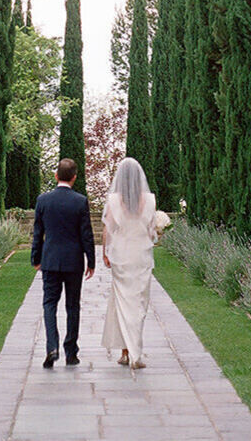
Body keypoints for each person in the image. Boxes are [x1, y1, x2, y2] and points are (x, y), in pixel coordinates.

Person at [31, 157, 95, 368]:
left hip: (50, 260)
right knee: (72, 306)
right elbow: (86, 234)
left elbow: (38, 233)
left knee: (49, 303)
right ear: (74, 178)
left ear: (56, 175)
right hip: (73, 262)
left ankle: (51, 346)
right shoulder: (80, 201)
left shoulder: (43, 200)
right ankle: (71, 352)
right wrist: (91, 261)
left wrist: (35, 258)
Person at [101, 156, 157, 369]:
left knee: (122, 303)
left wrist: (105, 253)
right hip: (141, 257)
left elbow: (109, 228)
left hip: (121, 257)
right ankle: (134, 353)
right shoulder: (150, 200)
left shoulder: (114, 200)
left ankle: (127, 352)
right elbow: (151, 232)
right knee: (139, 304)